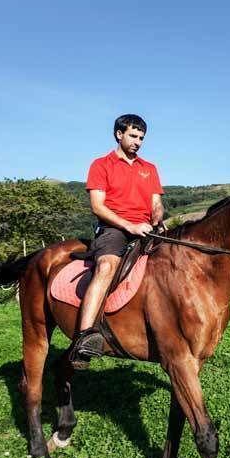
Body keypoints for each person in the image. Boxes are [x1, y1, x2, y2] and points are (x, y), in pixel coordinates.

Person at [69, 114, 163, 367]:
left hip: (147, 228)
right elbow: (98, 207)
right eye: (133, 136)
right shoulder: (101, 165)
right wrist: (130, 225)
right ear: (119, 134)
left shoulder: (149, 168)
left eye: (141, 138)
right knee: (107, 266)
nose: (138, 142)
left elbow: (156, 203)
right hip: (113, 229)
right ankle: (84, 337)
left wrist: (158, 216)